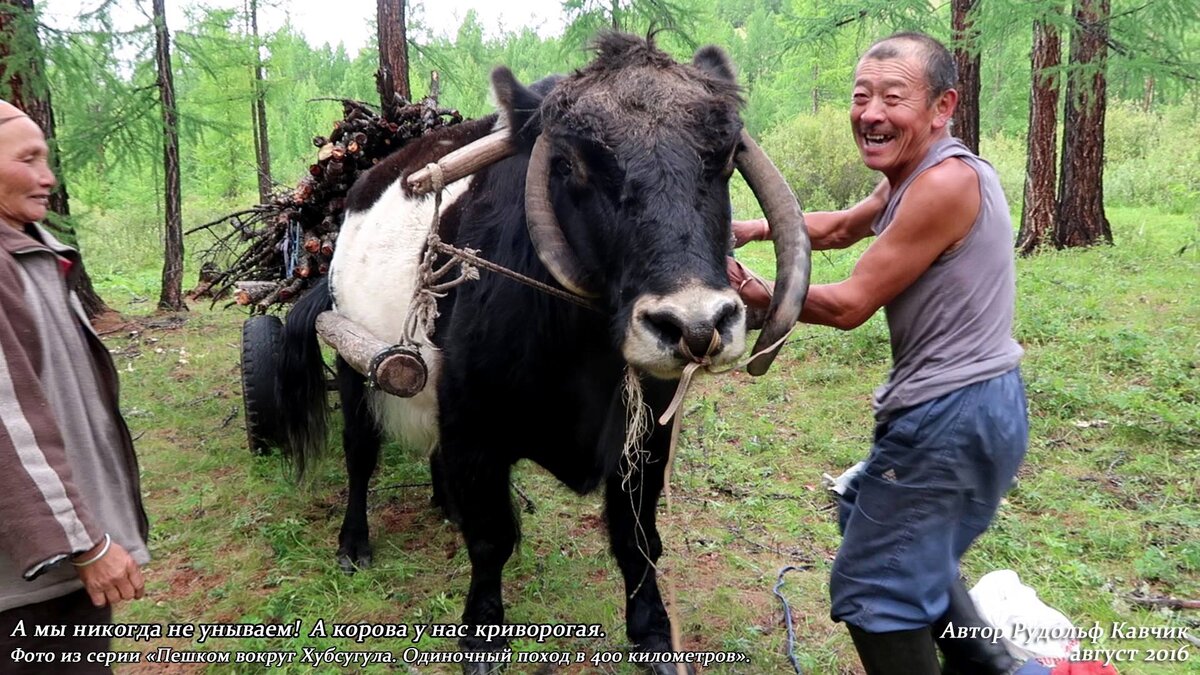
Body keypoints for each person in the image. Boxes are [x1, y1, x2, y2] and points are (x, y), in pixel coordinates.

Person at [729, 34, 1116, 675]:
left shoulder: (944, 184)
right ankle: (1004, 669)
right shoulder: (911, 176)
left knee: (876, 594)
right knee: (868, 510)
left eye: (893, 97)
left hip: (953, 418)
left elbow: (853, 304)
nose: (872, 112)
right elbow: (842, 227)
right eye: (861, 96)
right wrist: (755, 226)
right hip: (971, 407)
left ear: (942, 107)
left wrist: (751, 294)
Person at [0, 100, 149, 673]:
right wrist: (84, 542)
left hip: (55, 565)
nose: (47, 177)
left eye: (46, 157)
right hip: (31, 578)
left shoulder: (25, 249)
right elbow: (8, 424)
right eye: (28, 159)